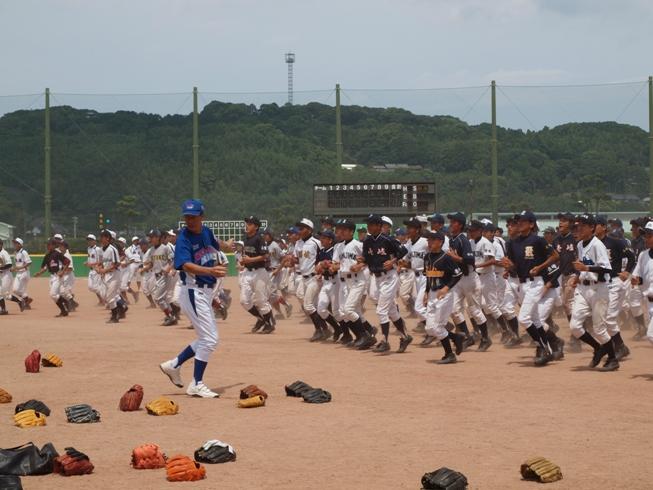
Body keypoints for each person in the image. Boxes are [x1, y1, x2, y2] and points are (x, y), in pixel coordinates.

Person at [159, 199, 227, 398]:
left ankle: (174, 365)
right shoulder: (183, 239)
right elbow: (185, 265)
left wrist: (228, 245)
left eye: (193, 216)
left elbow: (217, 244)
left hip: (205, 292)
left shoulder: (206, 232)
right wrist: (210, 270)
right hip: (193, 291)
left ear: (201, 216)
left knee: (206, 338)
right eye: (187, 217)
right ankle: (196, 383)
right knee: (210, 339)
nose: (189, 220)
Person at [502, 210, 562, 366]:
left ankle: (543, 347)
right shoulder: (513, 243)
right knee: (536, 320)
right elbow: (516, 265)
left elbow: (555, 256)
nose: (519, 224)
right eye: (518, 221)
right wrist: (509, 267)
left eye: (523, 221)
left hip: (536, 282)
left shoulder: (538, 240)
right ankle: (547, 349)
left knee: (524, 318)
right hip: (522, 284)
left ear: (531, 224)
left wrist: (540, 267)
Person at [568, 214, 619, 371]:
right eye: (578, 225)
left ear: (592, 227)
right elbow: (582, 267)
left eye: (583, 225)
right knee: (575, 326)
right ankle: (598, 348)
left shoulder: (597, 245)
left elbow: (607, 268)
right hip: (583, 288)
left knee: (599, 329)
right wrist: (577, 276)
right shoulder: (579, 245)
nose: (579, 228)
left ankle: (612, 359)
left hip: (599, 288)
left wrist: (586, 269)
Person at [358, 214, 412, 354]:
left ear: (378, 226)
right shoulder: (367, 241)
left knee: (381, 310)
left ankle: (385, 341)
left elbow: (403, 251)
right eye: (368, 224)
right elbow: (367, 258)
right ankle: (405, 337)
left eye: (371, 224)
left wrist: (393, 261)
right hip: (376, 278)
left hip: (389, 277)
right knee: (391, 311)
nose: (369, 226)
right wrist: (361, 261)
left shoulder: (387, 239)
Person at [595, 216, 635, 361]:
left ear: (604, 227)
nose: (594, 227)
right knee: (602, 318)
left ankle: (620, 347)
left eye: (597, 225)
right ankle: (617, 346)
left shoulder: (615, 242)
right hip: (601, 285)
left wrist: (627, 271)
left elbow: (631, 256)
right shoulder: (592, 244)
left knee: (609, 318)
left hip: (615, 282)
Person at [423, 230, 465, 364]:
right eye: (428, 240)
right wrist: (426, 292)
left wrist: (446, 288)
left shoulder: (446, 258)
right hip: (432, 294)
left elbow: (458, 274)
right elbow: (429, 276)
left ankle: (449, 354)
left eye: (432, 240)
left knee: (438, 328)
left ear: (440, 242)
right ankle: (456, 337)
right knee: (430, 328)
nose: (429, 242)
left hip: (444, 294)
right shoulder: (427, 257)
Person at [446, 212, 487, 348]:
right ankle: (468, 336)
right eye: (451, 221)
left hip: (470, 278)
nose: (451, 224)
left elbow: (470, 260)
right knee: (454, 310)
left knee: (474, 311)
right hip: (458, 279)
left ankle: (486, 338)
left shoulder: (463, 240)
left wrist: (455, 258)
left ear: (460, 225)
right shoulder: (452, 239)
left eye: (453, 222)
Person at [240, 216, 274, 333]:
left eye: (250, 224)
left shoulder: (259, 239)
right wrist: (244, 261)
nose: (247, 225)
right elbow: (247, 256)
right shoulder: (246, 239)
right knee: (244, 301)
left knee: (260, 301)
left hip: (259, 272)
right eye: (247, 223)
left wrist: (250, 260)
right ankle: (262, 319)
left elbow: (265, 255)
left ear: (256, 227)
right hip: (247, 272)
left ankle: (269, 323)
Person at [34, 239, 73, 317]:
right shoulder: (47, 255)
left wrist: (62, 271)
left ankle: (66, 302)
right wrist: (39, 273)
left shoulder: (57, 254)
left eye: (49, 244)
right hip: (52, 277)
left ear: (54, 245)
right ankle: (64, 310)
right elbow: (44, 267)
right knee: (55, 296)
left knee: (53, 294)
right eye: (47, 244)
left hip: (58, 276)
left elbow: (67, 261)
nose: (47, 246)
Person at [96, 229, 124, 323]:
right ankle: (122, 308)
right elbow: (100, 262)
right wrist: (99, 268)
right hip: (107, 276)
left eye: (102, 237)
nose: (101, 239)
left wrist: (105, 270)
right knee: (106, 295)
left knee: (110, 297)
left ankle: (114, 317)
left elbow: (117, 264)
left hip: (115, 275)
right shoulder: (100, 250)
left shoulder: (112, 249)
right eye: (100, 237)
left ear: (108, 238)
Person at [10, 238, 31, 311]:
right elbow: (17, 264)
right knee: (15, 290)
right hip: (18, 273)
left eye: (16, 243)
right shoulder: (15, 253)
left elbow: (29, 263)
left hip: (24, 273)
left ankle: (26, 302)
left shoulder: (24, 252)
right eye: (14, 243)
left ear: (20, 244)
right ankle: (27, 299)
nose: (14, 244)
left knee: (20, 289)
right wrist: (14, 268)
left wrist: (19, 268)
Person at [85, 234, 104, 305]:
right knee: (90, 287)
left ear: (94, 241)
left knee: (96, 287)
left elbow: (101, 261)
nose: (89, 241)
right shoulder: (88, 249)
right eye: (88, 240)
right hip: (91, 270)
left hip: (97, 270)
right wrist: (87, 262)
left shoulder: (98, 249)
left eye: (91, 240)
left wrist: (98, 268)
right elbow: (90, 259)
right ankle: (103, 299)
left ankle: (103, 300)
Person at [0, 239, 12, 314]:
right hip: (2, 275)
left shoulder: (4, 253)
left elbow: (9, 264)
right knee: (3, 293)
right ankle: (3, 309)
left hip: (6, 275)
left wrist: (0, 268)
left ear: (1, 244)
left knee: (2, 293)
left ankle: (4, 310)